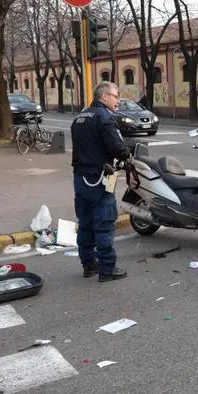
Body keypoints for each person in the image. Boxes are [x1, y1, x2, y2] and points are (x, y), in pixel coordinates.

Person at [71, 81, 132, 282]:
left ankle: (88, 264)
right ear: (104, 96)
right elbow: (118, 148)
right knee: (105, 221)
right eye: (116, 96)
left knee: (86, 222)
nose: (118, 100)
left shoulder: (79, 117)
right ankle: (107, 269)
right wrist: (127, 156)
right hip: (102, 176)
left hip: (80, 177)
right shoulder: (105, 118)